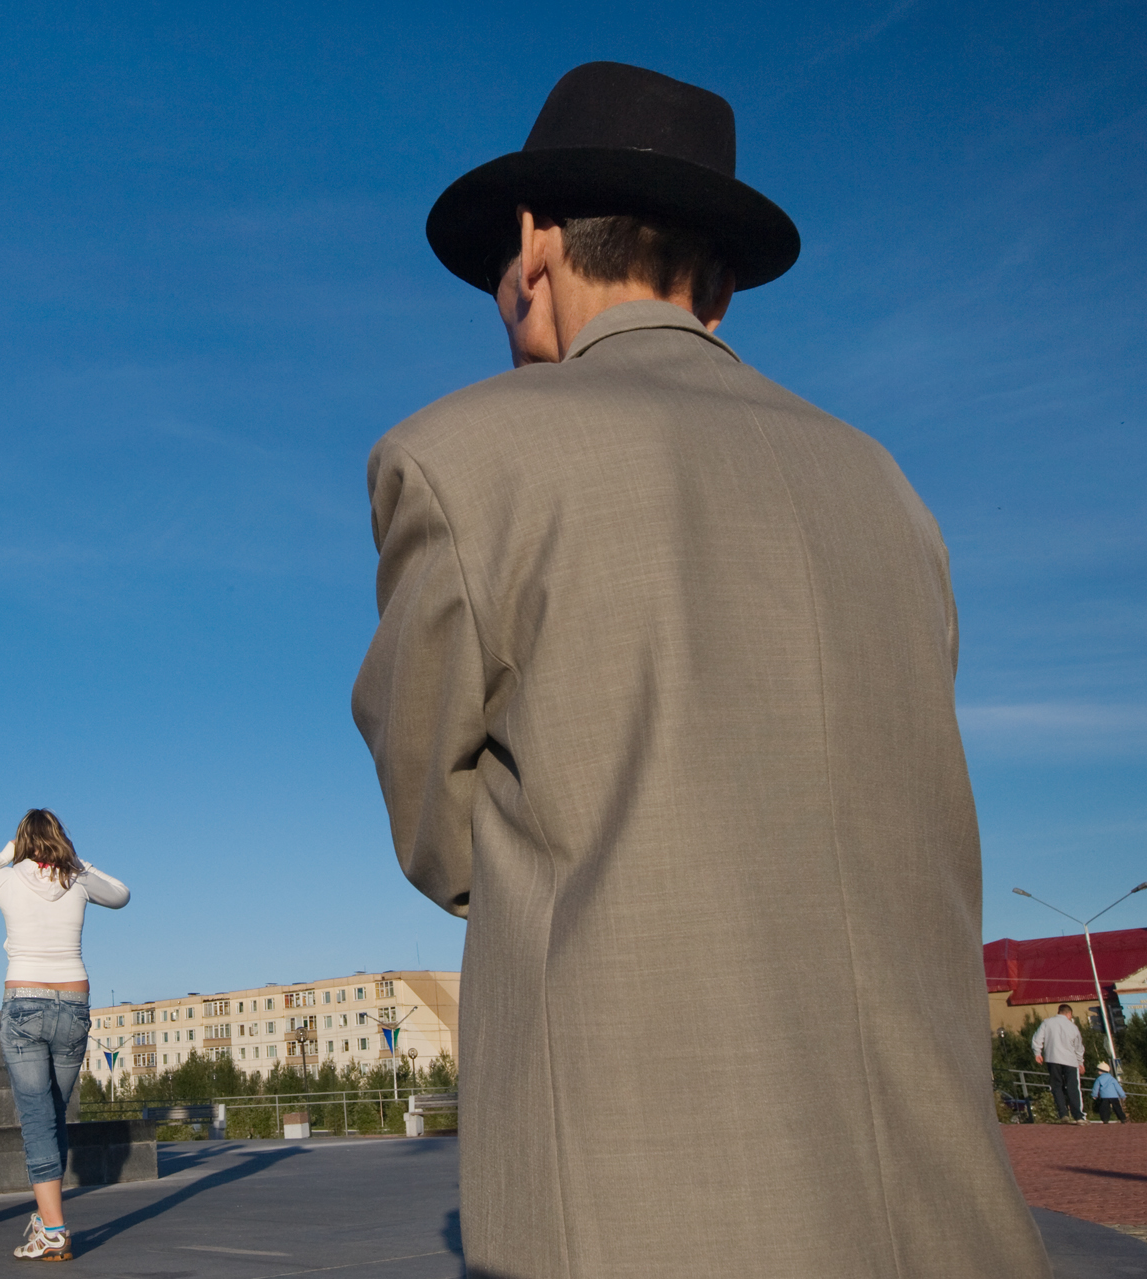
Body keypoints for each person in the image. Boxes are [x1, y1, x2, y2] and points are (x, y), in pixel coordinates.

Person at [351, 61, 1050, 1277]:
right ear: (719, 289)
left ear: (533, 245)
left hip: (631, 1196)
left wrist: (593, 873)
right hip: (940, 1217)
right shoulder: (888, 487)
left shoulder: (459, 457)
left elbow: (438, 823)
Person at [0, 809, 129, 1263]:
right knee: (54, 1116)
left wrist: (1, 857)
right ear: (61, 839)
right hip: (74, 1005)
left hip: (25, 1004)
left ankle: (55, 1230)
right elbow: (121, 895)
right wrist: (79, 863)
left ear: (21, 841)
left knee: (39, 1120)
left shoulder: (8, 877)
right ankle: (46, 1221)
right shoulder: (76, 879)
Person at [1034, 1004, 1087, 1123]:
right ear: (1069, 1014)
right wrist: (1080, 1062)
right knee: (1073, 1087)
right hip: (1070, 1060)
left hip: (1052, 1058)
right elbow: (1078, 1047)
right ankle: (1078, 1116)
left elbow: (1037, 1038)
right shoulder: (1072, 1027)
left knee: (1056, 1086)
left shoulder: (1047, 1023)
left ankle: (1063, 1113)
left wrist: (1037, 1053)